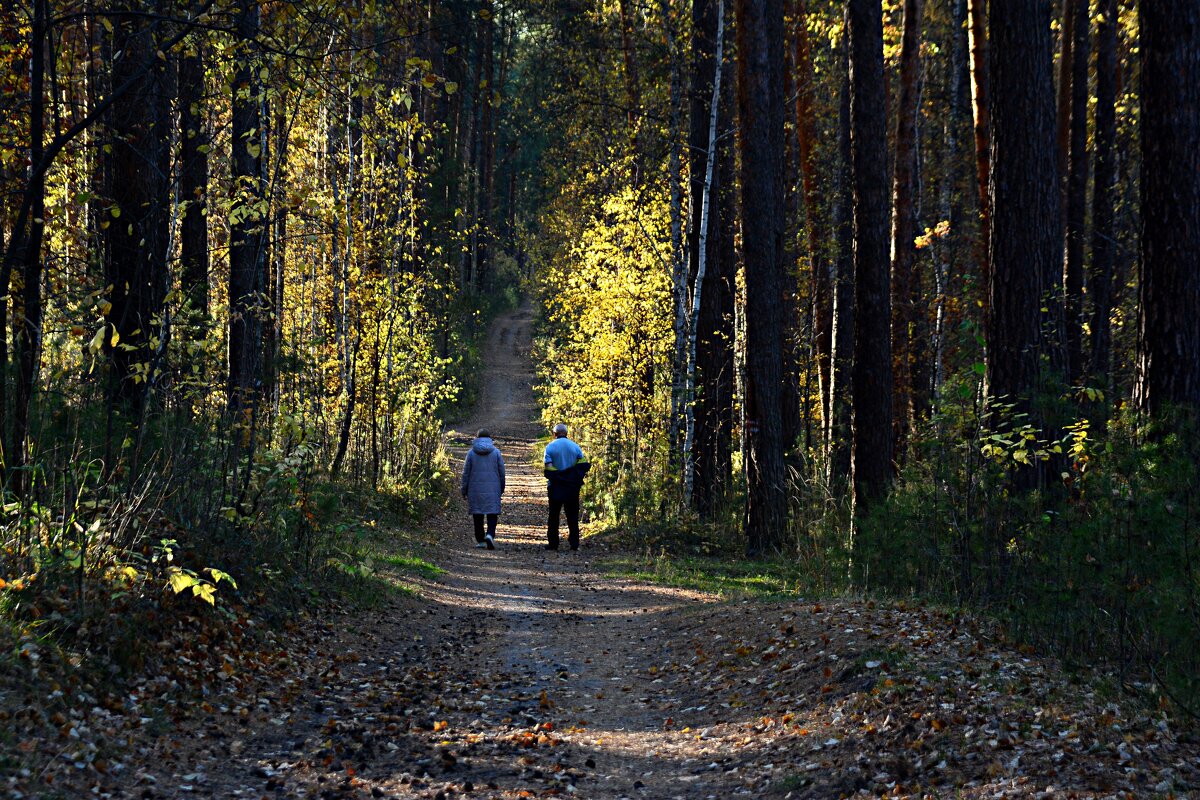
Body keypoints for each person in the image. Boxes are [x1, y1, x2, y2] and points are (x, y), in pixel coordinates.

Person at [542, 423, 590, 551]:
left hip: (555, 487)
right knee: (572, 516)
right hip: (572, 487)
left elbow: (548, 468)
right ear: (567, 433)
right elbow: (583, 465)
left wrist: (559, 475)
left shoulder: (550, 447)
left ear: (554, 434)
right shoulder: (575, 447)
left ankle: (553, 543)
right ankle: (574, 543)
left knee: (553, 515)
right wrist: (571, 476)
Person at [461, 428, 505, 549]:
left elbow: (466, 473)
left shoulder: (471, 453)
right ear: (489, 438)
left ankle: (480, 540)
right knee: (492, 513)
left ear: (477, 438)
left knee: (477, 514)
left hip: (474, 489)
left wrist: (463, 490)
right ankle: (490, 534)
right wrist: (501, 488)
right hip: (493, 487)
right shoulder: (496, 452)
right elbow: (502, 472)